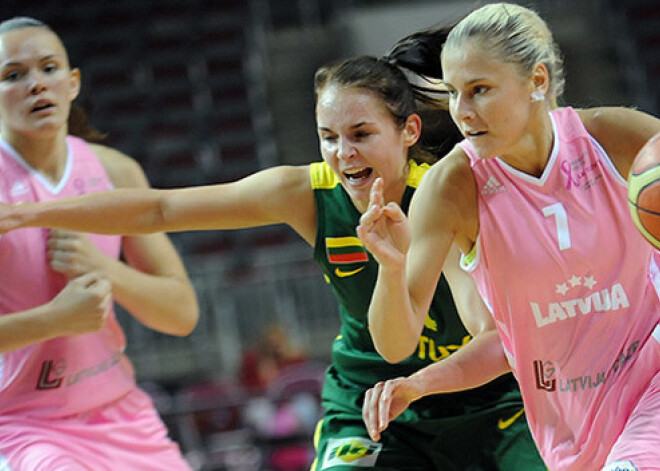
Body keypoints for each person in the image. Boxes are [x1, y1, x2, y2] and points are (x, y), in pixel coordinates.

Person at [0, 26, 547, 470]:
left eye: (360, 134)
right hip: (372, 398)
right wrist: (30, 212)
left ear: (406, 131)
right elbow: (159, 208)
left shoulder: (446, 192)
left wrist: (420, 372)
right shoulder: (306, 193)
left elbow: (489, 334)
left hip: (486, 404)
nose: (343, 153)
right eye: (328, 137)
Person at [357, 3, 660, 471]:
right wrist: (391, 270)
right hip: (572, 437)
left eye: (479, 90)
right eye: (454, 93)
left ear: (537, 82)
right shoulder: (451, 188)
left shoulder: (618, 138)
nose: (462, 111)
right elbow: (405, 343)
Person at [0, 17, 199, 470]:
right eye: (13, 75)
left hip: (121, 413)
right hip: (21, 426)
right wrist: (54, 319)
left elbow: (182, 312)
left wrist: (106, 269)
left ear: (72, 84)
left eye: (48, 69)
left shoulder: (115, 173)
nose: (36, 85)